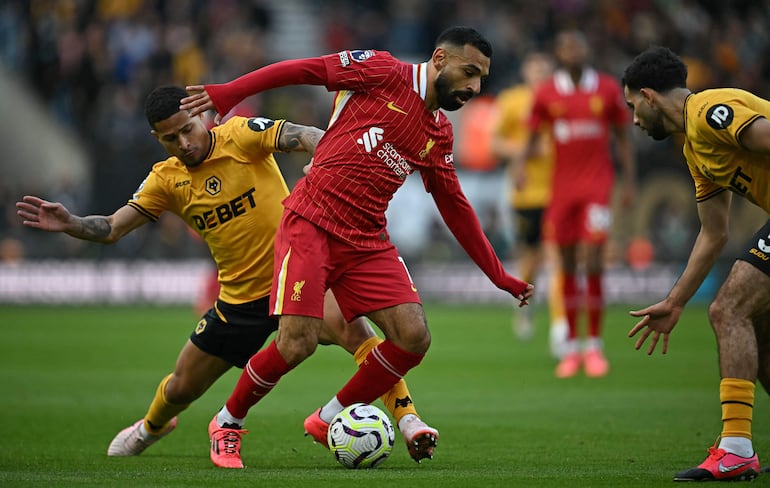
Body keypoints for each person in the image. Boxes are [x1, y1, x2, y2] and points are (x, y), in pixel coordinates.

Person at [15, 85, 437, 469]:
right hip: (240, 301)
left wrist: (323, 157)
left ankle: (408, 421)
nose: (184, 142)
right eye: (170, 138)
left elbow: (303, 133)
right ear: (157, 139)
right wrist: (71, 223)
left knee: (361, 339)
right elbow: (111, 227)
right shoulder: (166, 180)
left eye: (187, 129)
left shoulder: (240, 135)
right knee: (182, 387)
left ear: (202, 117)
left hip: (299, 274)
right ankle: (150, 427)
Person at [180, 26, 534, 468]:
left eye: (481, 79)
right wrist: (227, 93)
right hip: (312, 221)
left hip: (366, 239)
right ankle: (227, 422)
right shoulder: (382, 71)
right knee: (297, 344)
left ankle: (328, 418)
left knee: (413, 337)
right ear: (440, 60)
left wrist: (499, 275)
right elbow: (305, 69)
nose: (474, 88)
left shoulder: (438, 133)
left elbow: (456, 207)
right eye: (468, 73)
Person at [624, 45, 770, 482]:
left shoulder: (710, 112)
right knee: (758, 327)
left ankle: (736, 449)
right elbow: (714, 233)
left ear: (649, 97)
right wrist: (674, 302)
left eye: (633, 106)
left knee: (729, 310)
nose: (633, 119)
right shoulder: (694, 147)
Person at [514, 30, 635, 378]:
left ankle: (593, 345)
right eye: (565, 46)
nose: (571, 51)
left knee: (594, 260)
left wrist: (628, 183)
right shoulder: (548, 93)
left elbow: (624, 139)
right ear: (558, 53)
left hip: (597, 188)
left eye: (576, 45)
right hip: (562, 192)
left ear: (586, 49)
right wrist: (521, 168)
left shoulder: (608, 89)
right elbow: (532, 134)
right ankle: (570, 349)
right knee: (566, 264)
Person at [492, 50, 569, 356]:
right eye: (534, 69)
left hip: (559, 193)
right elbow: (494, 144)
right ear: (525, 71)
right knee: (530, 261)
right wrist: (525, 151)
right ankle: (524, 304)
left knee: (557, 258)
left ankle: (560, 327)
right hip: (525, 195)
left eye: (544, 69)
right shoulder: (512, 101)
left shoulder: (560, 101)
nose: (538, 75)